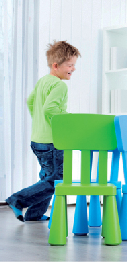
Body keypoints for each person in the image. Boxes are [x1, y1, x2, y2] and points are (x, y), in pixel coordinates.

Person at [5, 41, 80, 222]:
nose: (73, 68)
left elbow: (31, 102)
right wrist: (67, 121)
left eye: (74, 65)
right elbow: (50, 110)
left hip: (37, 139)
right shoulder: (60, 85)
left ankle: (34, 214)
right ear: (56, 66)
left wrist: (40, 122)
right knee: (58, 180)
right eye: (70, 65)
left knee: (48, 176)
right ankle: (18, 200)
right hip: (52, 141)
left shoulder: (43, 81)